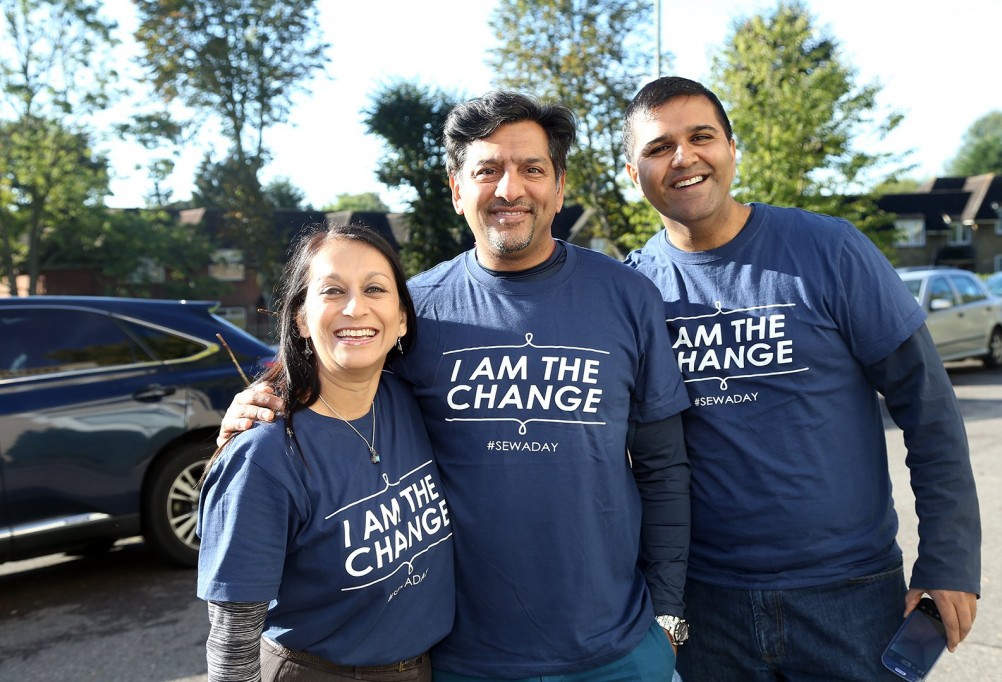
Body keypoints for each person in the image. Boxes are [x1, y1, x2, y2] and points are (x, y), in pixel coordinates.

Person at [218, 92, 692, 681]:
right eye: (487, 170)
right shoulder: (412, 310)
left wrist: (667, 616)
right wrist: (259, 406)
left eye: (531, 169)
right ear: (456, 188)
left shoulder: (627, 297)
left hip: (619, 651)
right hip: (465, 658)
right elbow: (340, 388)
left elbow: (663, 467)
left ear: (560, 185)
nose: (509, 189)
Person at [622, 76, 982, 681]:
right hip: (707, 604)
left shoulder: (830, 250)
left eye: (701, 136)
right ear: (634, 175)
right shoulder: (632, 290)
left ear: (732, 150)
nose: (683, 157)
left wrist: (949, 559)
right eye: (658, 148)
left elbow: (929, 408)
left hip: (851, 595)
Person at [197, 223, 455, 682]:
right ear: (300, 318)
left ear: (401, 318)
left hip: (423, 667)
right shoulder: (264, 456)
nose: (356, 308)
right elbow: (233, 643)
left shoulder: (410, 402)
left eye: (375, 289)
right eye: (332, 290)